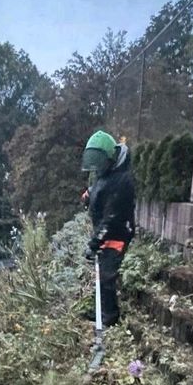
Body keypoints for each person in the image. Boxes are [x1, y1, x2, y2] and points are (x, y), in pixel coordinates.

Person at [81, 130, 136, 327]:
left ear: (110, 158)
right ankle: (101, 310)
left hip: (117, 234)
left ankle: (109, 319)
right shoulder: (106, 173)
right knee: (101, 272)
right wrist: (89, 194)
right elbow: (99, 187)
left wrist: (95, 243)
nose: (97, 168)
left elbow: (112, 218)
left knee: (106, 275)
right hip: (106, 234)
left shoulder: (122, 182)